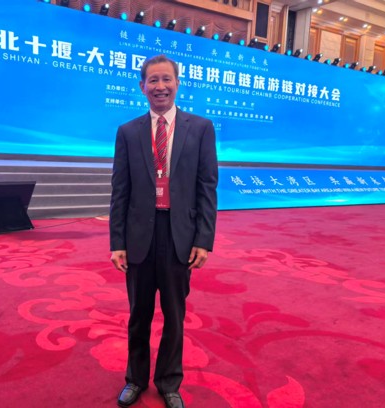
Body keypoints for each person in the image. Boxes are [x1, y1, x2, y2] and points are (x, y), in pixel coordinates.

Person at [109, 54, 218, 408]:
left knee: (175, 315)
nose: (160, 86)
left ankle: (169, 382)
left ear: (177, 83)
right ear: (142, 86)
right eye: (153, 80)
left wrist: (204, 239)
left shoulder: (200, 128)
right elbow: (120, 190)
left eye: (166, 79)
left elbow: (207, 186)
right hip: (139, 236)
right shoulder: (128, 132)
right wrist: (117, 242)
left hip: (179, 235)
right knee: (138, 314)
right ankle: (135, 379)